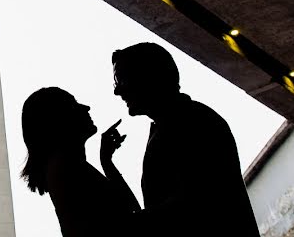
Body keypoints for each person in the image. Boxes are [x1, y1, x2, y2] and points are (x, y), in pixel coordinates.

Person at [103, 42, 261, 236]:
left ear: (148, 76)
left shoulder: (192, 121)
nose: (117, 91)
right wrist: (108, 164)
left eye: (121, 80)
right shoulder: (176, 122)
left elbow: (195, 202)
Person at [20, 87, 140, 237]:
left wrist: (106, 161)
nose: (86, 107)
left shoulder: (65, 167)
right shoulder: (68, 169)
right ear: (58, 120)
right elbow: (130, 214)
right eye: (73, 104)